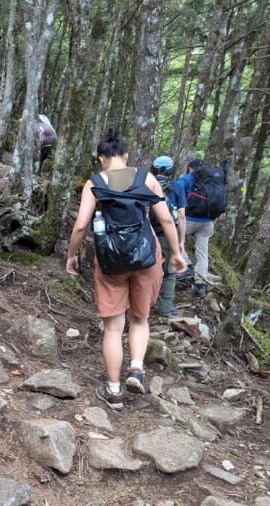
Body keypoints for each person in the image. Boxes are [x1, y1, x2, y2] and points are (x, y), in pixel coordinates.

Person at [66, 129, 186, 410]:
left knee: (113, 326)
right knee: (140, 319)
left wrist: (72, 255)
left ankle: (115, 390)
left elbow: (82, 225)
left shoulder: (94, 182)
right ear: (126, 155)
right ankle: (135, 369)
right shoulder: (147, 178)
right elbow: (166, 220)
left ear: (101, 159)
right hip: (145, 256)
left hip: (111, 260)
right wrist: (177, 253)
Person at [150, 156, 186, 317]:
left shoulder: (146, 183)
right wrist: (181, 240)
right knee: (170, 271)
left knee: (147, 268)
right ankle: (165, 305)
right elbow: (182, 215)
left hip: (147, 232)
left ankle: (144, 302)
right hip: (167, 233)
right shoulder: (177, 187)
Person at [173, 159, 211, 297]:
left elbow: (175, 187)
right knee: (202, 254)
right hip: (207, 222)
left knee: (173, 239)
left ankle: (187, 267)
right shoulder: (211, 180)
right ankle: (200, 286)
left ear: (190, 168)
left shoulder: (189, 177)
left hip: (187, 220)